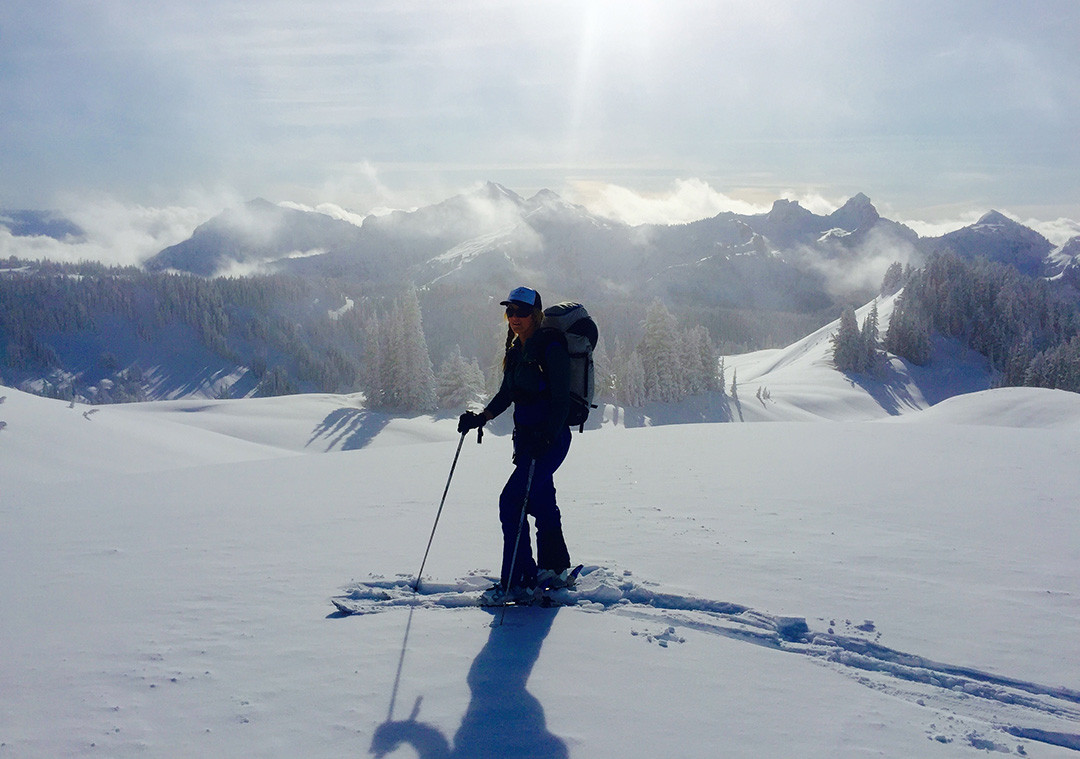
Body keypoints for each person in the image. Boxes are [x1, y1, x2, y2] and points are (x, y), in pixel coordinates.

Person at [458, 286, 576, 605]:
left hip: (550, 440)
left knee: (511, 503)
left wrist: (547, 435)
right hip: (527, 440)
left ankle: (519, 582)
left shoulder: (551, 346)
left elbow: (561, 399)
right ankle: (554, 568)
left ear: (535, 315)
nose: (514, 318)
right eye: (510, 312)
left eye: (521, 312)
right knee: (540, 500)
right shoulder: (515, 350)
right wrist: (480, 417)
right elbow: (507, 393)